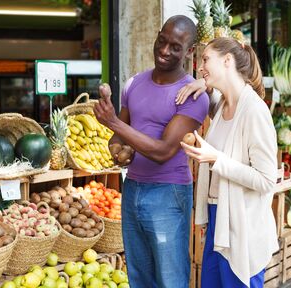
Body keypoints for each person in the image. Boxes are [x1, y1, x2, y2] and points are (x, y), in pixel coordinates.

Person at [93, 15, 209, 288]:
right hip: (132, 187)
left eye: (176, 47)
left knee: (169, 279)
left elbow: (163, 151)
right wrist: (119, 150)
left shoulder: (193, 96)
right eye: (162, 41)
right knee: (139, 275)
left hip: (168, 193)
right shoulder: (134, 84)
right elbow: (117, 137)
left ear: (190, 51)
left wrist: (113, 122)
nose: (165, 51)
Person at [178, 37, 279, 288]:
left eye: (205, 59)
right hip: (218, 218)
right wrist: (204, 84)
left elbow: (266, 180)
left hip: (242, 223)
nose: (200, 67)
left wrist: (216, 159)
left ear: (227, 60)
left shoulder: (255, 111)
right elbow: (210, 95)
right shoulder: (223, 105)